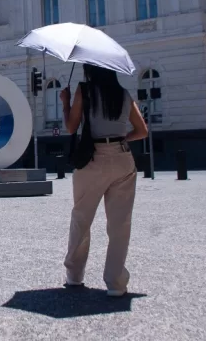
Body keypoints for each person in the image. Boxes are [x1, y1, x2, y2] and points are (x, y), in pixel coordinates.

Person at [59, 64, 148, 297]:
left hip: (92, 159)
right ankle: (115, 283)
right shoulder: (123, 94)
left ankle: (75, 275)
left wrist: (65, 103)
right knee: (120, 223)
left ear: (90, 70)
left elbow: (71, 127)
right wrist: (120, 139)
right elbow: (142, 131)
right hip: (122, 157)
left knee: (82, 217)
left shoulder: (84, 90)